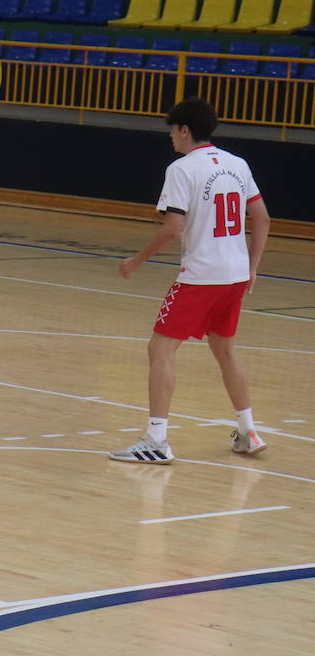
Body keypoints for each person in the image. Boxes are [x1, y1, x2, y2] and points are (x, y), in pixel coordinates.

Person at [111, 97, 271, 465]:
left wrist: (136, 260)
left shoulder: (182, 169)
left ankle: (157, 439)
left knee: (160, 350)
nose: (170, 138)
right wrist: (253, 266)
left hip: (202, 276)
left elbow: (172, 228)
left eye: (172, 131)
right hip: (234, 275)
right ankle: (247, 430)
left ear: (185, 129)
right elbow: (262, 219)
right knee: (225, 348)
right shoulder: (238, 164)